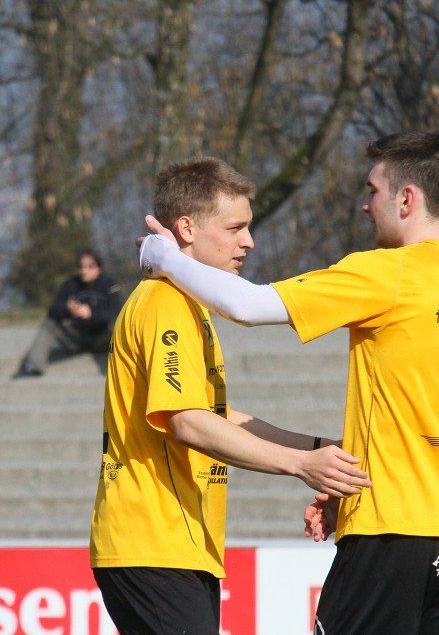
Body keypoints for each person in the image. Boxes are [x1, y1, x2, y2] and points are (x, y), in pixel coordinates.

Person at [140, 134, 439, 633]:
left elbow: (247, 305)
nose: (366, 205)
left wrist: (166, 257)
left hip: (392, 535)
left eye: (373, 190)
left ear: (407, 199)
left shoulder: (392, 271)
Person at [91, 157, 369, 634]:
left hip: (177, 544)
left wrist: (322, 449)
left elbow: (214, 414)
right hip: (153, 541)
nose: (249, 241)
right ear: (187, 229)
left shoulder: (190, 305)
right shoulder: (165, 303)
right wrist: (300, 464)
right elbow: (187, 421)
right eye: (235, 228)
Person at [16, 250, 122, 377]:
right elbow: (52, 310)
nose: (84, 271)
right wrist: (68, 309)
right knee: (49, 325)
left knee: (119, 326)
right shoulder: (70, 285)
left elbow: (117, 311)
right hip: (75, 339)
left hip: (102, 339)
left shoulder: (109, 285)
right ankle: (34, 366)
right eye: (81, 267)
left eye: (90, 267)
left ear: (99, 268)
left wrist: (92, 314)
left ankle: (118, 369)